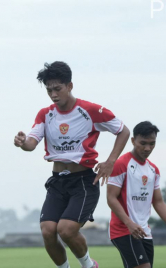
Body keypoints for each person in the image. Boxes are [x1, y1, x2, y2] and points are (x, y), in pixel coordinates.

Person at [14, 61, 130, 268]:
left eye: (57, 89)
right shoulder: (45, 114)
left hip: (84, 182)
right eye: (49, 90)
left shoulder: (91, 111)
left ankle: (88, 265)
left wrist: (110, 161)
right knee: (48, 231)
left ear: (70, 86)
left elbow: (123, 130)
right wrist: (23, 143)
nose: (53, 94)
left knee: (66, 230)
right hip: (57, 182)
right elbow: (31, 143)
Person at [108, 121, 163, 268]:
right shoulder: (121, 164)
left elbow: (158, 202)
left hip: (144, 231)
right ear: (133, 141)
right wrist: (129, 223)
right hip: (124, 229)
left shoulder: (154, 170)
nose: (147, 148)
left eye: (152, 144)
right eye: (143, 143)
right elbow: (111, 198)